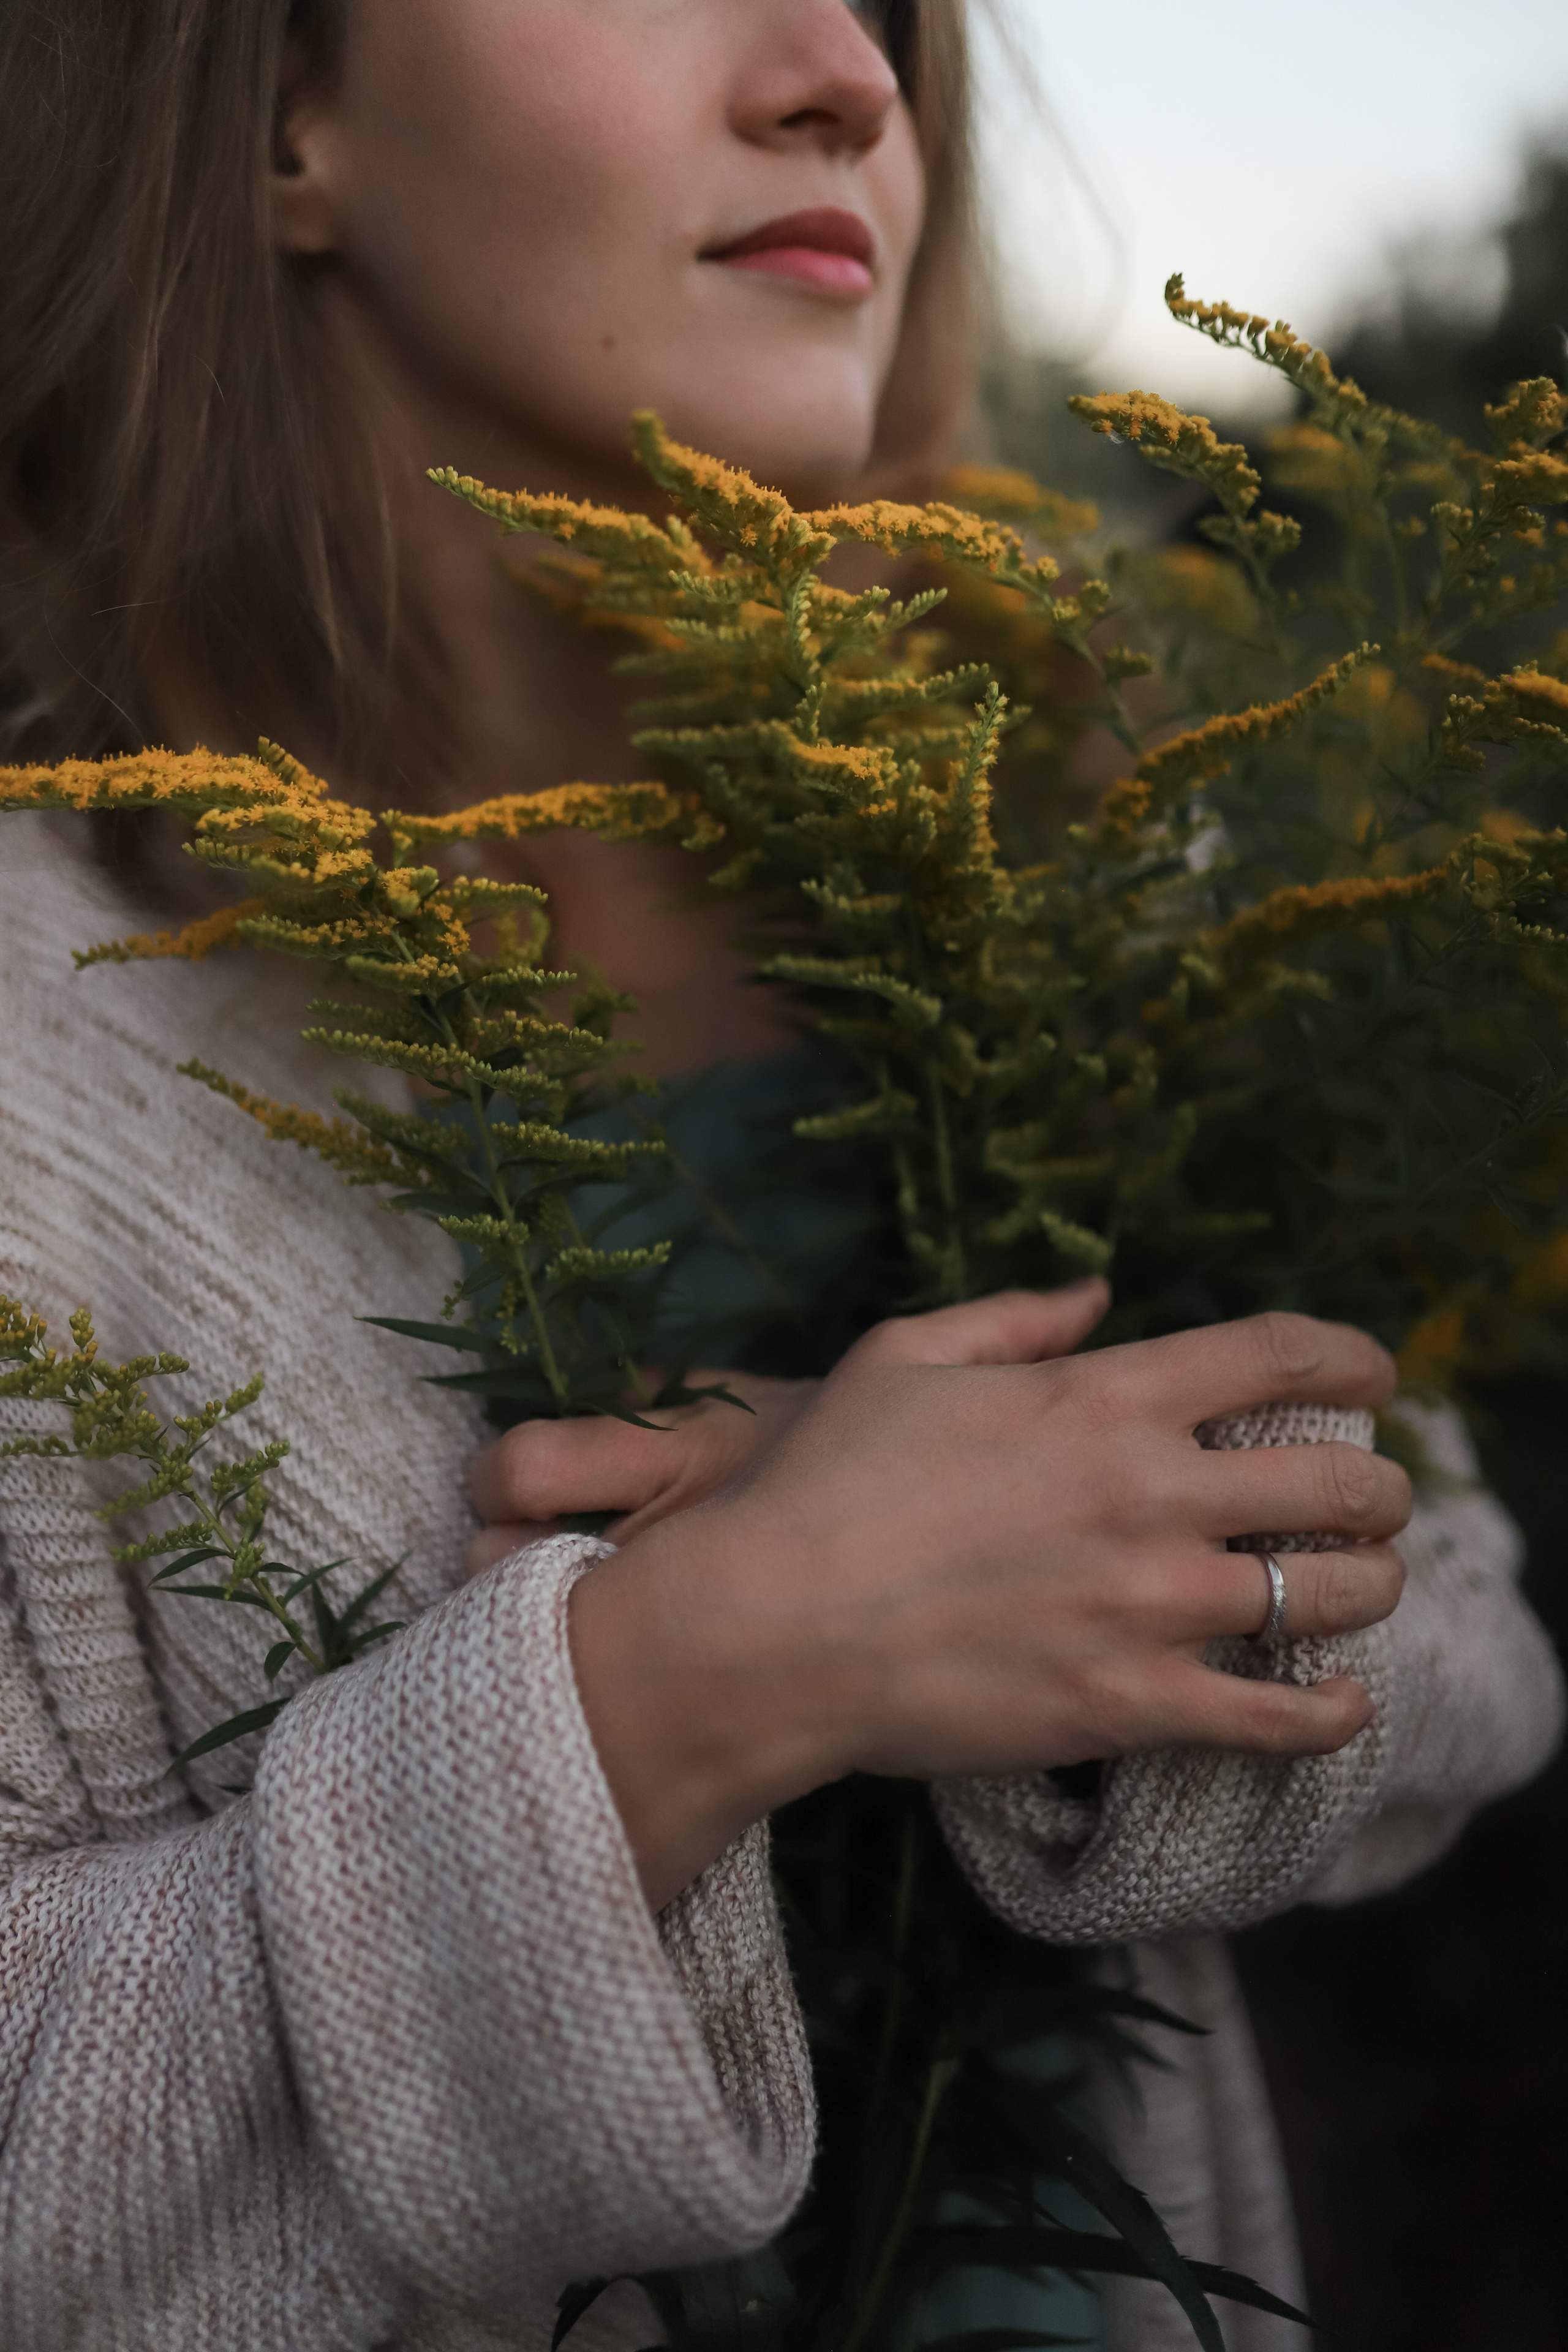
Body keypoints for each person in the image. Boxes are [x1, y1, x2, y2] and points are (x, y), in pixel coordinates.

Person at [0, 5, 1558, 2348]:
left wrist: (1073, 1578)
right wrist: (715, 1665)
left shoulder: (1083, 865)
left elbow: (1467, 1629)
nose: (847, 75)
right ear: (274, 113)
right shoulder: (44, 1073)